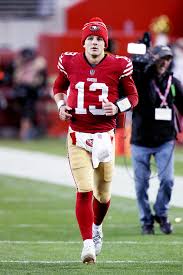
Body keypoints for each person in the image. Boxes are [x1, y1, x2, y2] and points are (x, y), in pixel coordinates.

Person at [53, 17, 138, 264]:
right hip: (78, 135)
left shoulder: (119, 64)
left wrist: (117, 106)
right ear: (84, 42)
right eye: (90, 38)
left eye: (98, 39)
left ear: (105, 43)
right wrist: (60, 105)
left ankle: (97, 227)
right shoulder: (68, 61)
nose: (94, 43)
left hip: (104, 137)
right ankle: (87, 244)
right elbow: (59, 87)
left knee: (103, 194)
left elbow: (133, 95)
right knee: (84, 189)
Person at [130, 44, 183, 235]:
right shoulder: (142, 80)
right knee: (141, 184)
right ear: (153, 59)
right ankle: (146, 221)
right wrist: (140, 65)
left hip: (165, 140)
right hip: (140, 140)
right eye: (161, 58)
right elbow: (133, 90)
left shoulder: (173, 83)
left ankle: (161, 214)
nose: (165, 62)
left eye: (168, 58)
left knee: (168, 180)